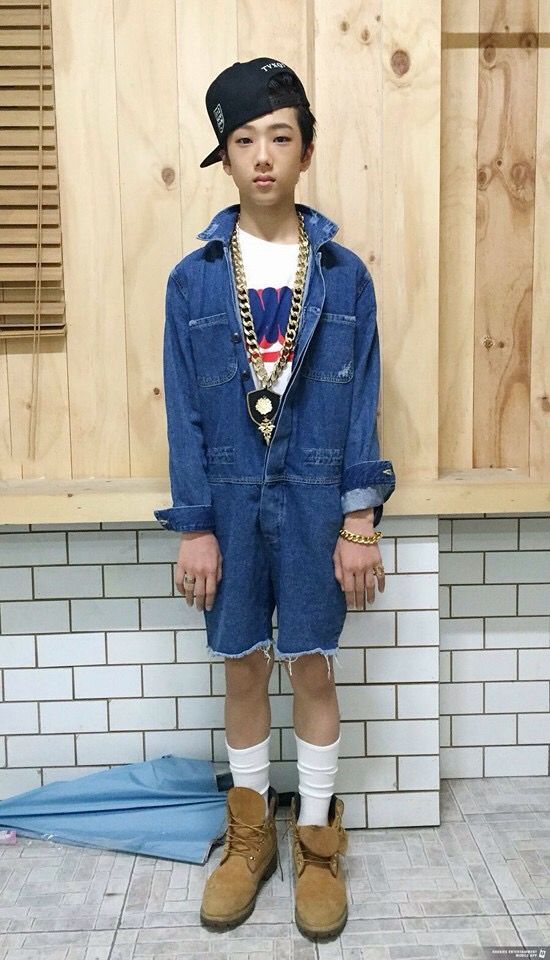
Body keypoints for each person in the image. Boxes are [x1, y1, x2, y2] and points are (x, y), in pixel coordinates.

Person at [154, 57, 396, 943]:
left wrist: (359, 518)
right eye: (245, 139)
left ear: (306, 151)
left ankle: (321, 844)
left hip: (314, 494)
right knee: (244, 666)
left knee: (312, 665)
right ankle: (250, 835)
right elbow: (184, 411)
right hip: (228, 491)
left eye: (281, 137)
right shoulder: (191, 281)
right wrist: (197, 528)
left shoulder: (342, 276)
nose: (263, 155)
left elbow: (363, 392)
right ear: (224, 156)